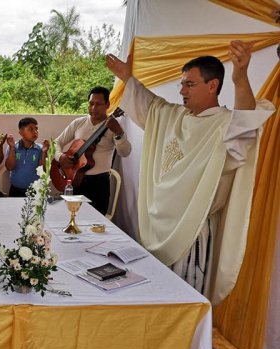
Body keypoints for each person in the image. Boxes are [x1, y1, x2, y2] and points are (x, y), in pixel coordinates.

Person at [105, 40, 275, 301]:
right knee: (153, 296)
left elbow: (245, 122)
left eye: (190, 84)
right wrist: (128, 79)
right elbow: (149, 105)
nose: (182, 90)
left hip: (191, 230)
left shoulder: (224, 125)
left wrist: (241, 79)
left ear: (213, 85)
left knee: (182, 300)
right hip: (158, 225)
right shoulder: (173, 116)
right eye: (182, 83)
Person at [54, 86, 132, 215]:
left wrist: (118, 132)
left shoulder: (114, 126)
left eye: (98, 104)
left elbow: (125, 152)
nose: (93, 108)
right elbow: (56, 142)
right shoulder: (78, 123)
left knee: (95, 224)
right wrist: (60, 157)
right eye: (91, 104)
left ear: (107, 105)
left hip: (99, 184)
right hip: (74, 182)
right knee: (71, 219)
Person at [3, 117, 49, 197]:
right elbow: (9, 167)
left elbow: (43, 170)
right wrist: (12, 148)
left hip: (35, 191)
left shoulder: (40, 148)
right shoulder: (13, 146)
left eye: (36, 129)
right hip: (16, 190)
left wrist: (45, 152)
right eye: (31, 129)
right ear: (21, 132)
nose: (35, 132)